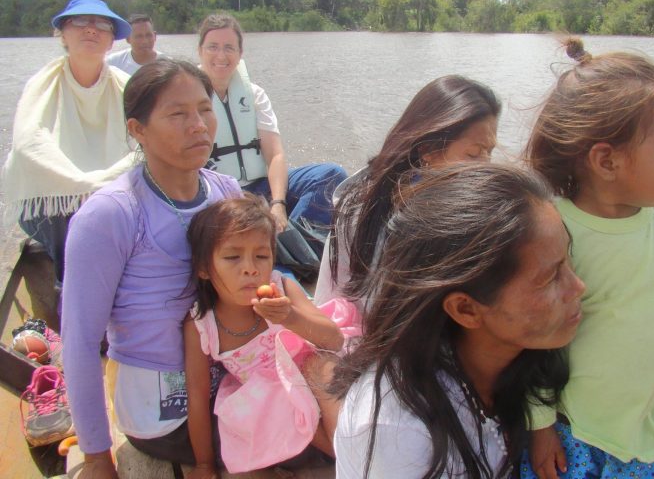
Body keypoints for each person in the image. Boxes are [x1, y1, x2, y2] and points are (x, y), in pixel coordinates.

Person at [522, 38, 654, 479]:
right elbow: (533, 338)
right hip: (576, 433)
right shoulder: (556, 233)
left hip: (653, 434)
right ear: (607, 161)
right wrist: (541, 426)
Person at [332, 163, 585, 478]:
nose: (578, 287)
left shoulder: (519, 364)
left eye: (568, 259)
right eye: (551, 278)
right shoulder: (398, 434)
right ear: (465, 309)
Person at [61, 59, 242, 479]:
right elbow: (80, 343)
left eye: (204, 109)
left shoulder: (226, 192)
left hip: (230, 380)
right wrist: (96, 457)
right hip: (164, 411)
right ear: (137, 129)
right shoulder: (111, 215)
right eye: (177, 114)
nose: (198, 125)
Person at [184, 195, 360, 477]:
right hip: (275, 408)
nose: (251, 268)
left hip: (316, 380)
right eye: (232, 257)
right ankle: (356, 460)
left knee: (323, 370)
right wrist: (203, 463)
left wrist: (290, 317)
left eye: (262, 256)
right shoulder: (202, 326)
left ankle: (360, 459)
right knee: (279, 403)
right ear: (204, 268)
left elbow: (333, 339)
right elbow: (197, 393)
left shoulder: (283, 288)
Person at [313, 74, 500, 313]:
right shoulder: (366, 208)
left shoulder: (469, 207)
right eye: (473, 154)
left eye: (489, 152)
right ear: (428, 150)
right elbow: (336, 304)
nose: (486, 167)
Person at [2, 0, 135, 301]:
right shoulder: (41, 84)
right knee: (75, 223)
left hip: (111, 191)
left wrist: (100, 188)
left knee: (112, 214)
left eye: (102, 24)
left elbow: (145, 143)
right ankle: (73, 300)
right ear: (62, 34)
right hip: (52, 201)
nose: (91, 29)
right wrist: (81, 187)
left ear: (112, 41)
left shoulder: (127, 86)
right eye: (80, 21)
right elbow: (28, 146)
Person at [197, 12, 346, 234]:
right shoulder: (187, 96)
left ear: (240, 54)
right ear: (200, 50)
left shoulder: (254, 95)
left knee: (331, 174)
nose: (221, 55)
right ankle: (278, 249)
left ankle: (293, 244)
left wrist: (278, 204)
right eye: (213, 47)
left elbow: (275, 154)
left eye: (229, 47)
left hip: (261, 186)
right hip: (219, 191)